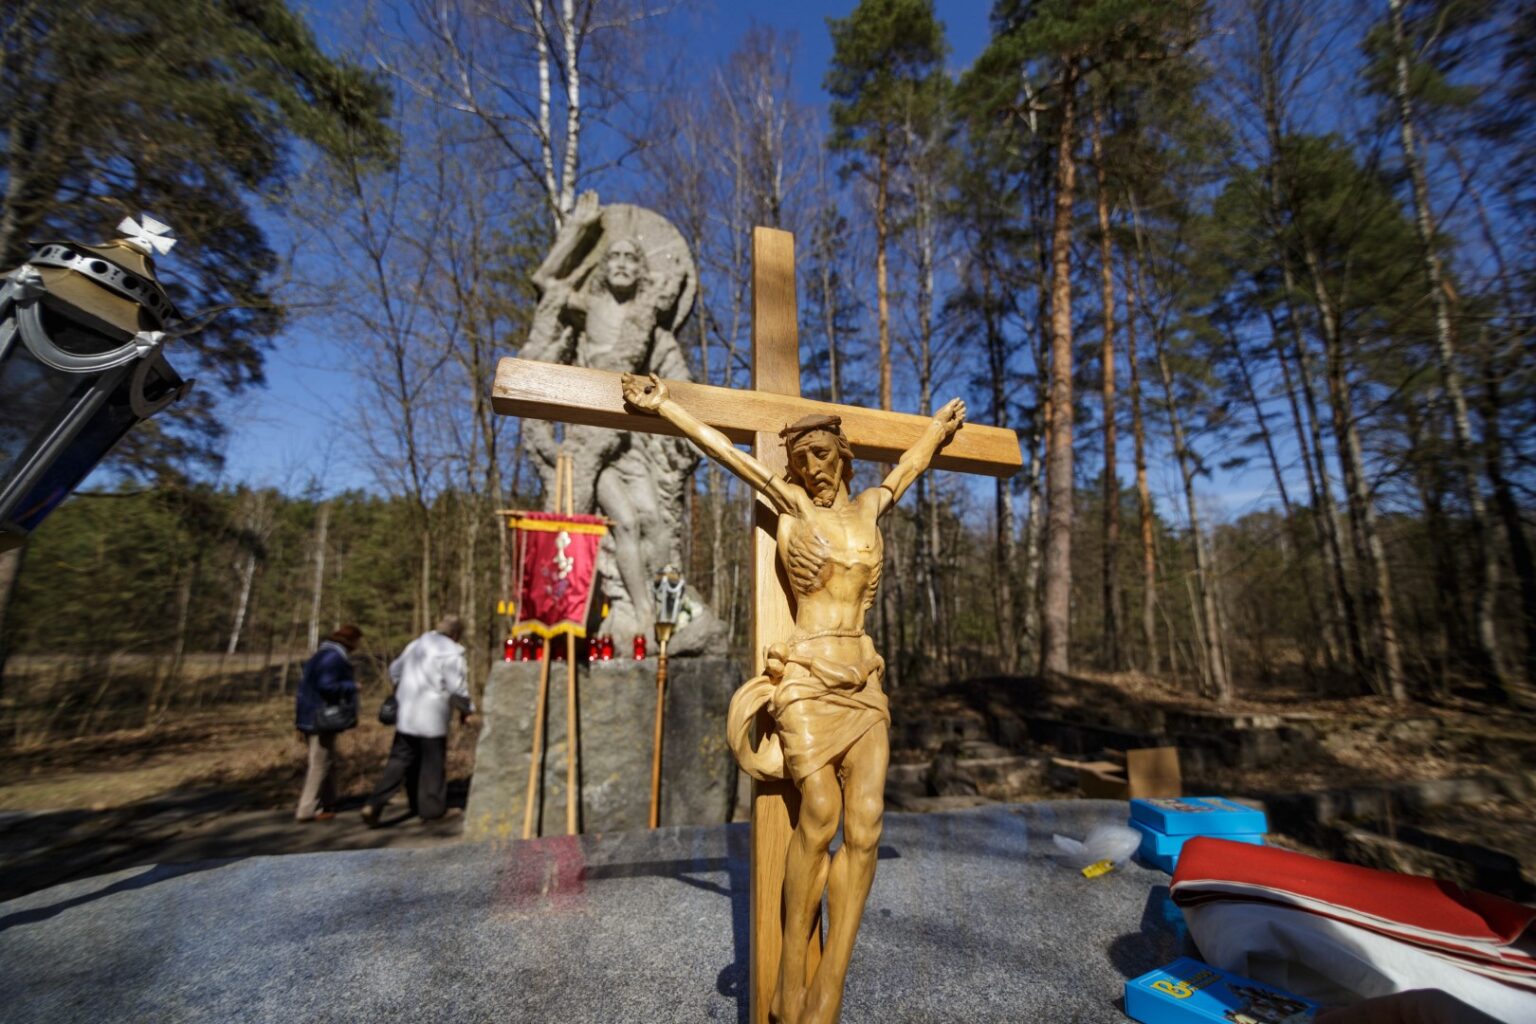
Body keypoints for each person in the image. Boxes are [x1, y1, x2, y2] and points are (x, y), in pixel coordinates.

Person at [621, 371, 965, 1024]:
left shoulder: (868, 508)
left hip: (865, 680)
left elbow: (909, 470)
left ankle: (827, 983)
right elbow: (728, 452)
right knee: (823, 813)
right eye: (802, 458)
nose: (811, 468)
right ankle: (789, 971)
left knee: (866, 829)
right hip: (806, 677)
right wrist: (666, 405)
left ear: (841, 455)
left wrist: (936, 432)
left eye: (821, 455)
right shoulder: (790, 505)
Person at [361, 615, 476, 826]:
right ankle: (431, 810)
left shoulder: (417, 645)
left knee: (400, 761)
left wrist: (402, 689)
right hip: (432, 717)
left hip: (408, 713)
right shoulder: (451, 652)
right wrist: (467, 709)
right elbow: (456, 687)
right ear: (456, 633)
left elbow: (394, 670)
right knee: (432, 764)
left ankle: (375, 802)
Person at [294, 624, 362, 822]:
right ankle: (307, 809)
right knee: (320, 763)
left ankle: (329, 801)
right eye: (357, 641)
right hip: (321, 717)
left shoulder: (322, 654)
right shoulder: (333, 657)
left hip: (310, 715)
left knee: (327, 760)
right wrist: (352, 686)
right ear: (351, 640)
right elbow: (327, 685)